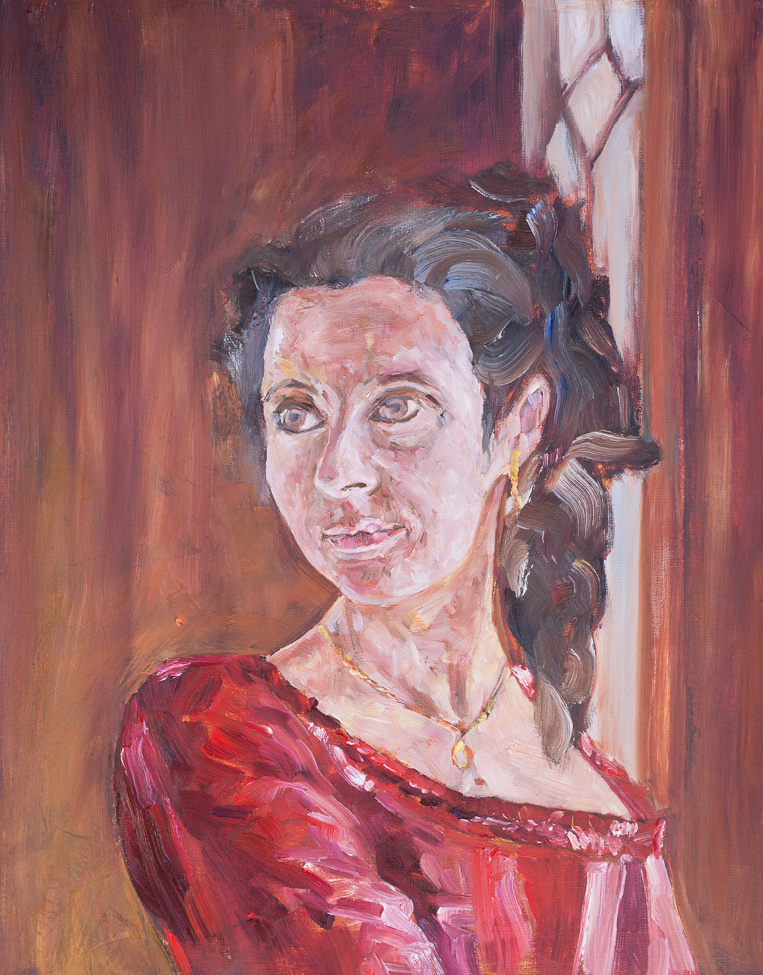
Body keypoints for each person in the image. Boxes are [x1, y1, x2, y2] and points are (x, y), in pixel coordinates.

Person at [114, 164, 698, 974]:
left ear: (518, 426)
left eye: (396, 407)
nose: (338, 473)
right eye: (297, 413)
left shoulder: (605, 809)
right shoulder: (217, 732)